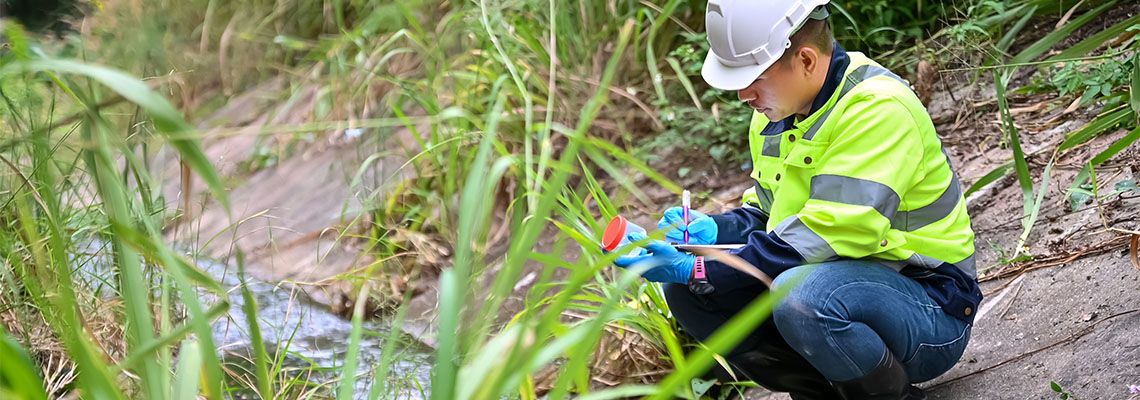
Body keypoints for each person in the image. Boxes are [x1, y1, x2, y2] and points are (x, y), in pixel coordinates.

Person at [612, 1, 982, 399]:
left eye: (752, 77)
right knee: (691, 294)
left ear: (805, 59)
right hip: (840, 284)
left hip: (930, 308)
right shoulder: (775, 116)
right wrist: (715, 230)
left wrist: (701, 268)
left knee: (799, 294)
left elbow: (829, 235)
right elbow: (770, 215)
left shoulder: (876, 108)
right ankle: (822, 393)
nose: (742, 95)